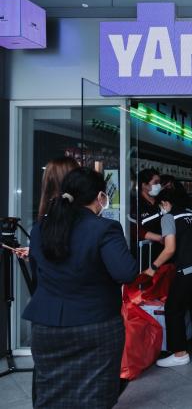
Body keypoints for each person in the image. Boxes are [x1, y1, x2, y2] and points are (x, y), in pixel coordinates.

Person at [23, 167, 138, 408]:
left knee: (50, 393)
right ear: (100, 196)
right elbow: (126, 272)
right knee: (94, 396)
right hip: (95, 325)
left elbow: (37, 273)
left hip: (46, 326)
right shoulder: (104, 228)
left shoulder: (40, 228)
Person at [147, 187, 192, 367]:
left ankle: (179, 353)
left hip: (190, 267)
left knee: (173, 308)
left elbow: (170, 249)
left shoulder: (169, 217)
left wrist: (152, 268)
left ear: (165, 203)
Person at [130, 168, 163, 268]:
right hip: (145, 254)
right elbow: (135, 229)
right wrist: (159, 238)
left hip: (163, 253)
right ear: (144, 185)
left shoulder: (162, 202)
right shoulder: (136, 204)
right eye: (155, 182)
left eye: (159, 182)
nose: (159, 185)